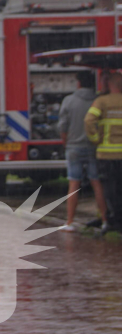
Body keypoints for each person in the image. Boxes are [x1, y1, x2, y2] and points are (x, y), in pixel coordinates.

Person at [59, 71, 107, 231]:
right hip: (94, 147)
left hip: (73, 147)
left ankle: (70, 222)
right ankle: (105, 219)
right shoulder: (98, 100)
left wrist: (66, 143)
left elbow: (63, 126)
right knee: (96, 182)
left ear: (78, 83)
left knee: (74, 183)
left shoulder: (69, 101)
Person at [84, 71, 122, 231]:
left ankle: (115, 220)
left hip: (106, 154)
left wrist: (95, 139)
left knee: (111, 189)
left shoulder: (102, 102)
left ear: (108, 84)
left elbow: (88, 121)